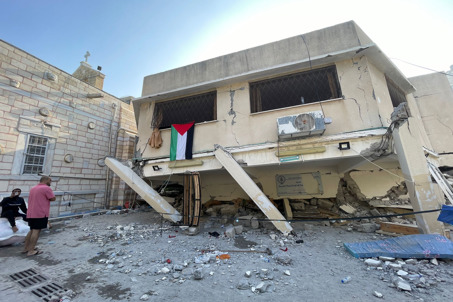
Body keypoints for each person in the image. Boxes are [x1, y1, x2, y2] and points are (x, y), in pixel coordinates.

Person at [24, 176, 56, 256]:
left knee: (31, 230)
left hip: (31, 213)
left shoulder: (33, 188)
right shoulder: (46, 188)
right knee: (36, 231)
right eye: (50, 180)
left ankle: (26, 248)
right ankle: (31, 251)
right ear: (46, 180)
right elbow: (52, 198)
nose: (51, 182)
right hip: (40, 213)